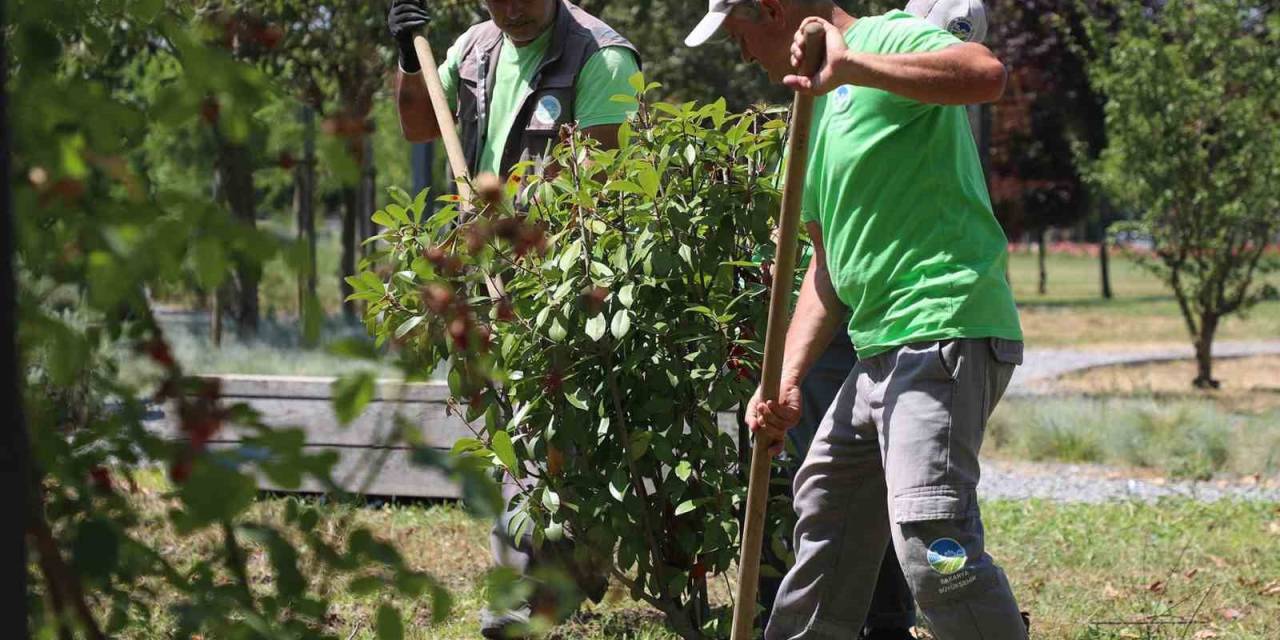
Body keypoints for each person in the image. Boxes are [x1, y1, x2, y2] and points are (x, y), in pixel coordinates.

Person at [687, 1, 1028, 639]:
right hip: (878, 350)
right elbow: (826, 266)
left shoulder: (883, 38)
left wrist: (854, 65)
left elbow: (983, 74)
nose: (743, 56)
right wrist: (785, 377)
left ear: (771, 9)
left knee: (935, 547)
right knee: (827, 512)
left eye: (741, 35)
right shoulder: (809, 118)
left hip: (940, 328)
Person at [388, 2, 641, 637]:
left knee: (545, 440)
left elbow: (604, 190)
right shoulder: (474, 50)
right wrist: (406, 59)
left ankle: (523, 605)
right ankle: (554, 587)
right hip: (486, 281)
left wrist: (515, 239)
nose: (512, 9)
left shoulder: (600, 58)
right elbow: (419, 126)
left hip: (564, 286)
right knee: (519, 441)